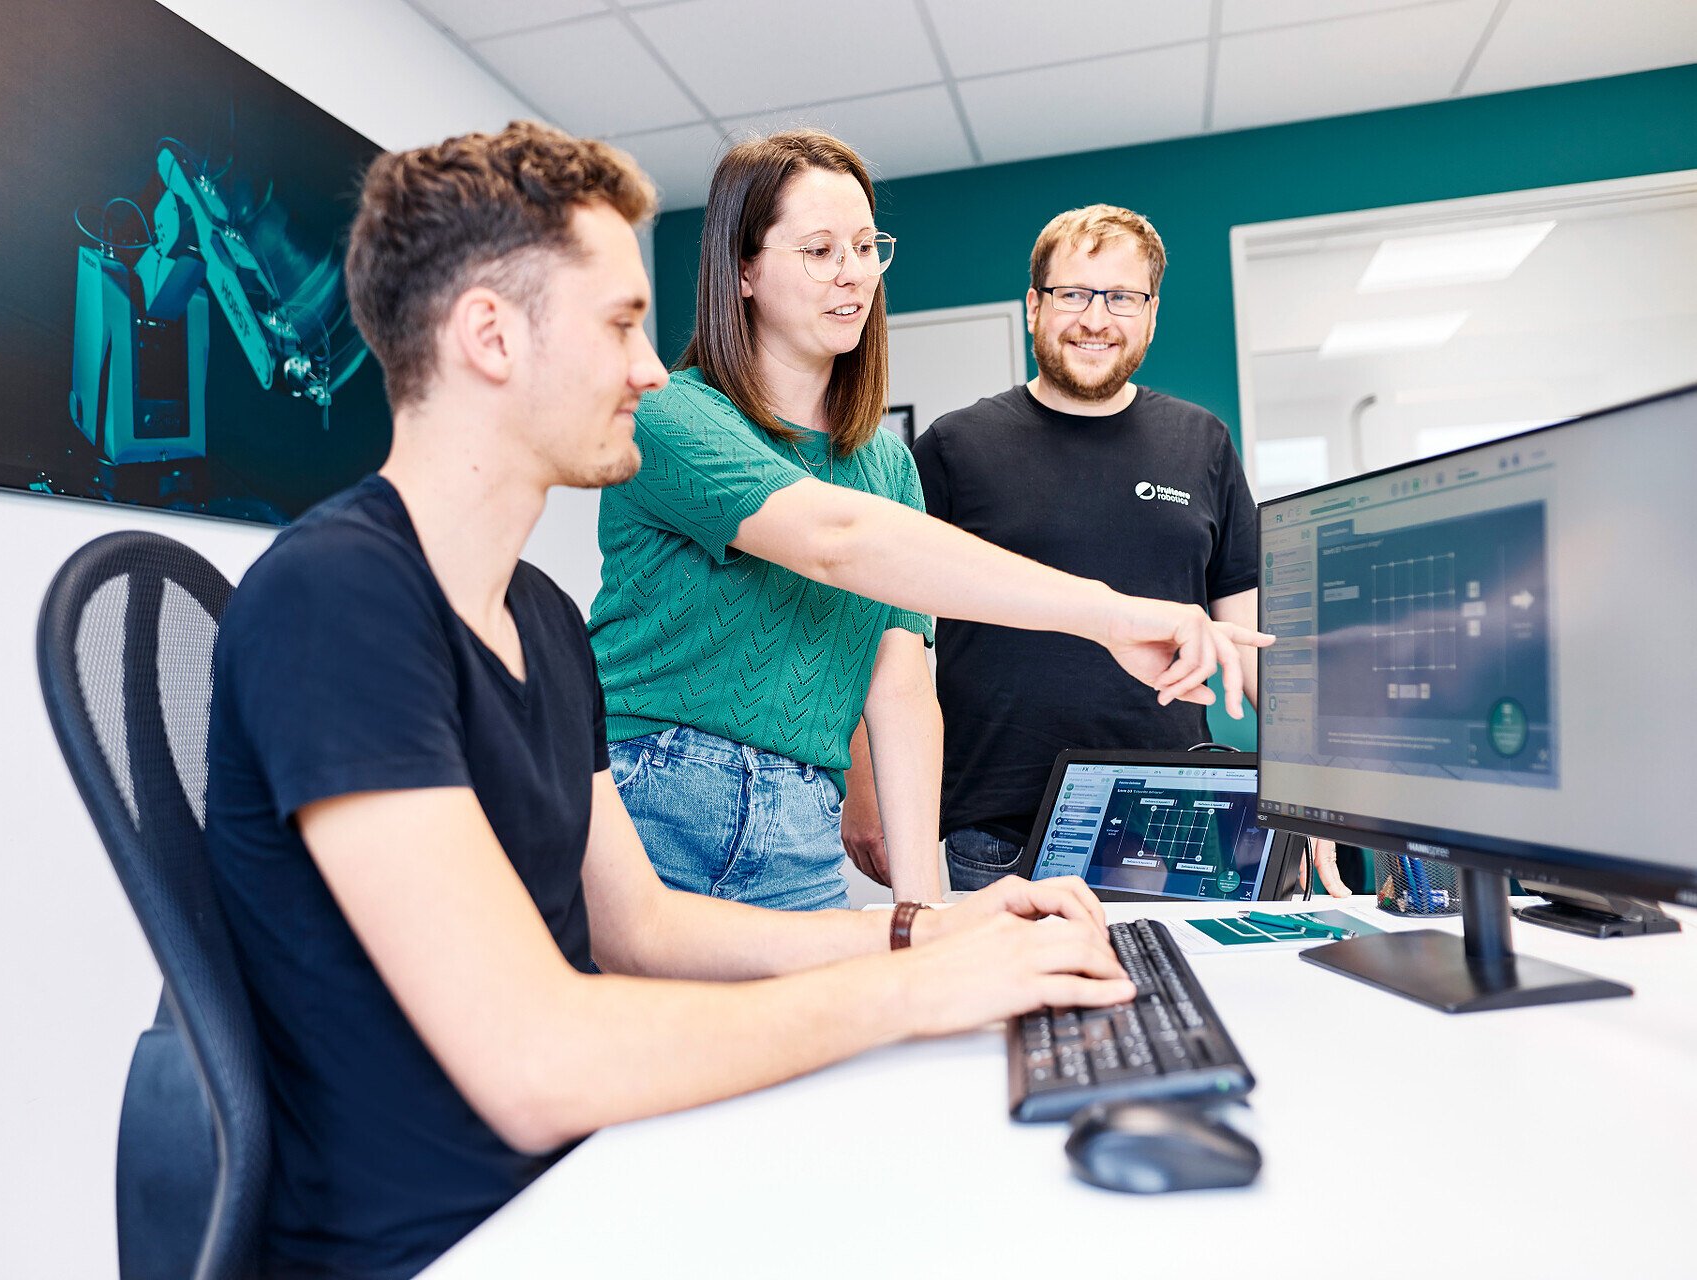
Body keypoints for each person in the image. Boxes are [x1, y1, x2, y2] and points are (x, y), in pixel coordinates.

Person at [204, 120, 1144, 1280]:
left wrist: (921, 925)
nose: (652, 372)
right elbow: (534, 1055)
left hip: (577, 1185)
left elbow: (644, 928)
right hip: (451, 1239)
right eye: (618, 327)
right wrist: (910, 986)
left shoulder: (542, 624)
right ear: (489, 336)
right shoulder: (337, 601)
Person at [590, 137, 1273, 915]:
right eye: (818, 250)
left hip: (798, 828)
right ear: (742, 270)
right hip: (657, 794)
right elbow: (836, 542)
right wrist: (1112, 615)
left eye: (863, 246)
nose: (852, 272)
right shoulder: (672, 412)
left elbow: (900, 679)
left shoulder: (885, 465)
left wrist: (923, 911)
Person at [842, 203, 1349, 897]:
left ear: (1150, 313)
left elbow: (1253, 631)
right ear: (1033, 305)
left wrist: (1314, 783)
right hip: (1001, 822)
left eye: (1121, 297)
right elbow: (868, 620)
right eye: (1072, 293)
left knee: (1185, 997)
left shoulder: (1201, 443)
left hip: (1175, 812)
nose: (1094, 319)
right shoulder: (955, 448)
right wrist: (863, 790)